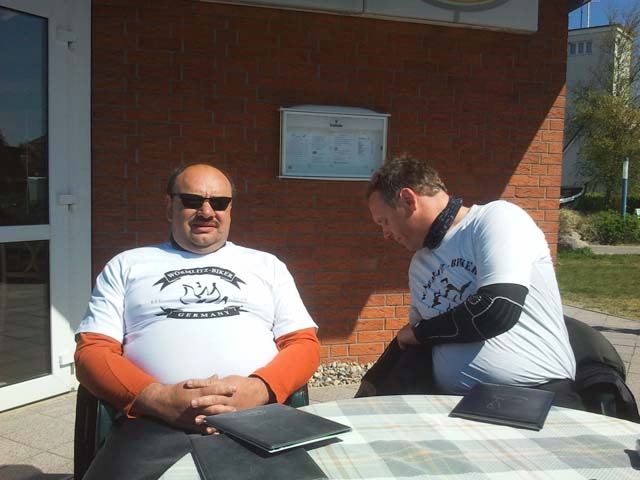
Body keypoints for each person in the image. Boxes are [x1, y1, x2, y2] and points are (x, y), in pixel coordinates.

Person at [74, 164, 320, 478]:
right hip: (153, 421)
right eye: (192, 201)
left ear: (230, 210)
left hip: (257, 416)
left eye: (219, 202)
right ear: (169, 206)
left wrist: (260, 389)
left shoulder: (267, 266)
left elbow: (303, 344)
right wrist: (158, 398)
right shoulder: (127, 265)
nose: (206, 212)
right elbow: (92, 352)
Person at [362, 154, 582, 409]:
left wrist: (419, 333)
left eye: (384, 221)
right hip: (451, 405)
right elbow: (419, 338)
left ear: (409, 200)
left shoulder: (496, 219)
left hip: (535, 397)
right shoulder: (419, 266)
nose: (386, 234)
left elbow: (498, 309)